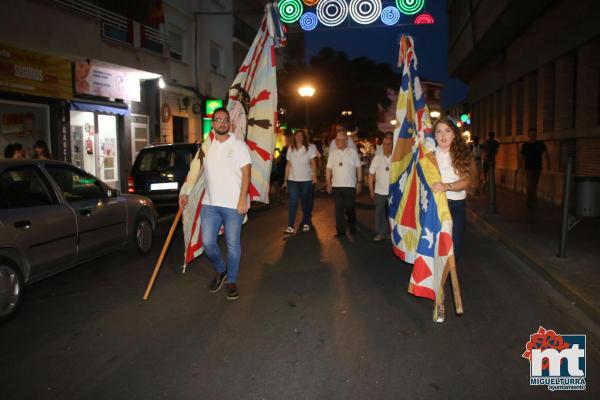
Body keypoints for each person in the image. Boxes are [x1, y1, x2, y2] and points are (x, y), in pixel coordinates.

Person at [178, 107, 251, 301]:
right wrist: (186, 192)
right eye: (218, 120)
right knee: (208, 243)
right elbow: (195, 171)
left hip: (234, 205)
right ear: (213, 123)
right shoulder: (206, 146)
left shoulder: (239, 146)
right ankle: (221, 269)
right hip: (210, 204)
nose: (222, 123)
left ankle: (232, 281)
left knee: (233, 245)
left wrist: (243, 198)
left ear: (230, 123)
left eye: (225, 120)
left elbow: (246, 173)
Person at [431, 118, 472, 260]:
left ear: (454, 134)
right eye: (439, 131)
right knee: (434, 248)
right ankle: (436, 281)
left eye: (447, 131)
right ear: (434, 136)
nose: (443, 135)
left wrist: (446, 186)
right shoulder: (428, 156)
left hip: (455, 206)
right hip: (433, 205)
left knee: (454, 249)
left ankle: (447, 278)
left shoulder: (461, 154)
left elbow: (466, 181)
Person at [326, 131, 363, 237]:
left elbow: (359, 167)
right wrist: (328, 183)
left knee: (350, 207)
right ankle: (340, 231)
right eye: (336, 139)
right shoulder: (333, 153)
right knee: (338, 209)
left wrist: (359, 182)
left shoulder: (352, 152)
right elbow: (328, 169)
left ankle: (352, 226)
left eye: (340, 139)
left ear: (346, 141)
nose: (337, 141)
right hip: (336, 186)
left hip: (350, 185)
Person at [282, 129, 318, 233]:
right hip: (292, 180)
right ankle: (290, 226)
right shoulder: (290, 148)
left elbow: (313, 163)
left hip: (306, 179)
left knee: (305, 201)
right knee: (293, 201)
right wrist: (285, 180)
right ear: (294, 137)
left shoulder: (310, 148)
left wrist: (314, 175)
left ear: (304, 137)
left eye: (301, 136)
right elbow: (288, 165)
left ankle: (306, 222)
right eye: (297, 136)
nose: (298, 137)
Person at [368, 132, 393, 241]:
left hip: (393, 192)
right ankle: (380, 233)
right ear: (382, 145)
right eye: (385, 144)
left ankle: (392, 233)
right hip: (379, 191)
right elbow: (370, 175)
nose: (387, 146)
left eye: (389, 144)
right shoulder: (377, 158)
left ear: (392, 145)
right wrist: (371, 190)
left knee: (393, 214)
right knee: (379, 214)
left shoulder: (396, 158)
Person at [520, 128, 550, 208]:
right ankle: (529, 201)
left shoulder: (540, 144)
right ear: (528, 135)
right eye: (531, 134)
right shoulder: (525, 145)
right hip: (528, 168)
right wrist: (520, 167)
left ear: (536, 134)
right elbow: (522, 157)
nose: (532, 135)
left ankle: (532, 200)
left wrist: (548, 164)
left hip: (537, 167)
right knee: (530, 185)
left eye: (534, 133)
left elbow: (546, 154)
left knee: (534, 185)